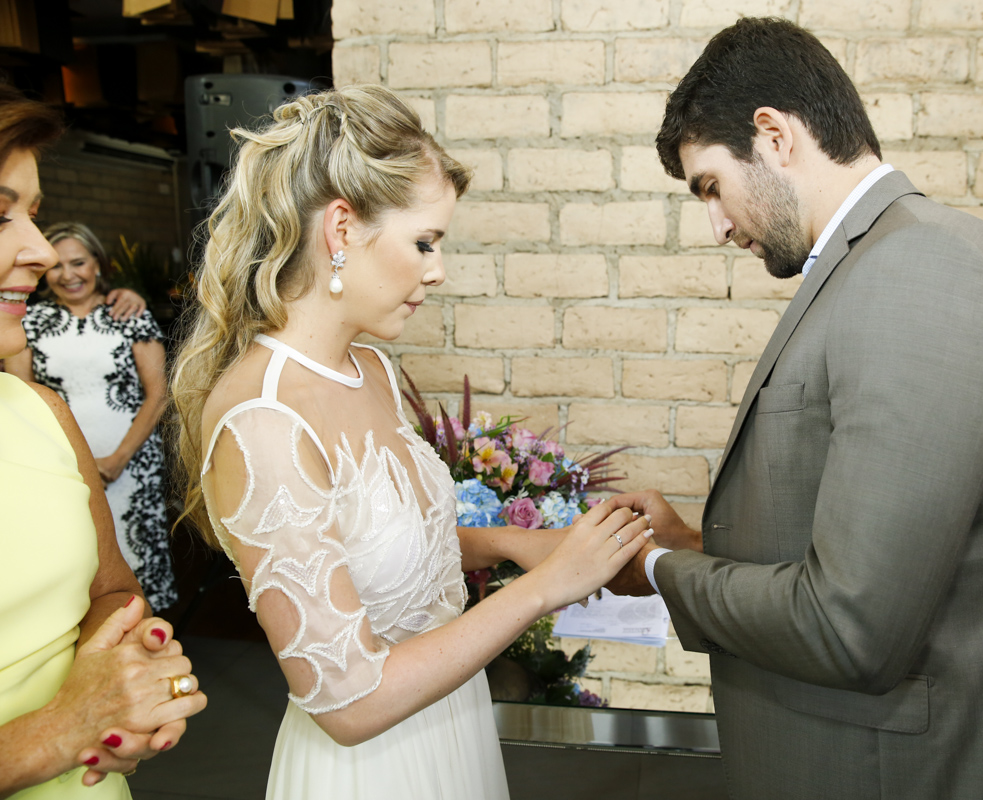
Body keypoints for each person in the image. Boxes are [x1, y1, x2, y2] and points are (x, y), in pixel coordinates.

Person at [607, 18, 983, 800]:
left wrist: (660, 569)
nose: (717, 226)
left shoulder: (921, 272)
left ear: (774, 136)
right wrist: (693, 542)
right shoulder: (880, 264)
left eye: (711, 187)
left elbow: (852, 625)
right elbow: (888, 547)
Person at [171, 85, 652, 800]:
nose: (437, 270)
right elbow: (348, 702)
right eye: (424, 242)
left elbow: (382, 543)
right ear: (341, 229)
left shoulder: (371, 368)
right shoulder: (263, 421)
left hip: (451, 723)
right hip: (373, 768)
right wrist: (546, 588)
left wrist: (513, 544)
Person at [0, 85, 206, 798]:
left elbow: (113, 588)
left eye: (33, 215)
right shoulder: (37, 329)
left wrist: (126, 668)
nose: (39, 252)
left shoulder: (39, 414)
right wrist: (60, 727)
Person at [7, 222, 176, 611]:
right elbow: (22, 397)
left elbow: (159, 393)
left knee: (137, 560)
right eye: (57, 265)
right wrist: (68, 465)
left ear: (98, 264)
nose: (68, 275)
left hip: (132, 466)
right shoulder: (28, 321)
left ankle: (150, 640)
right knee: (81, 566)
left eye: (79, 262)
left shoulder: (129, 312)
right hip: (64, 468)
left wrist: (118, 459)